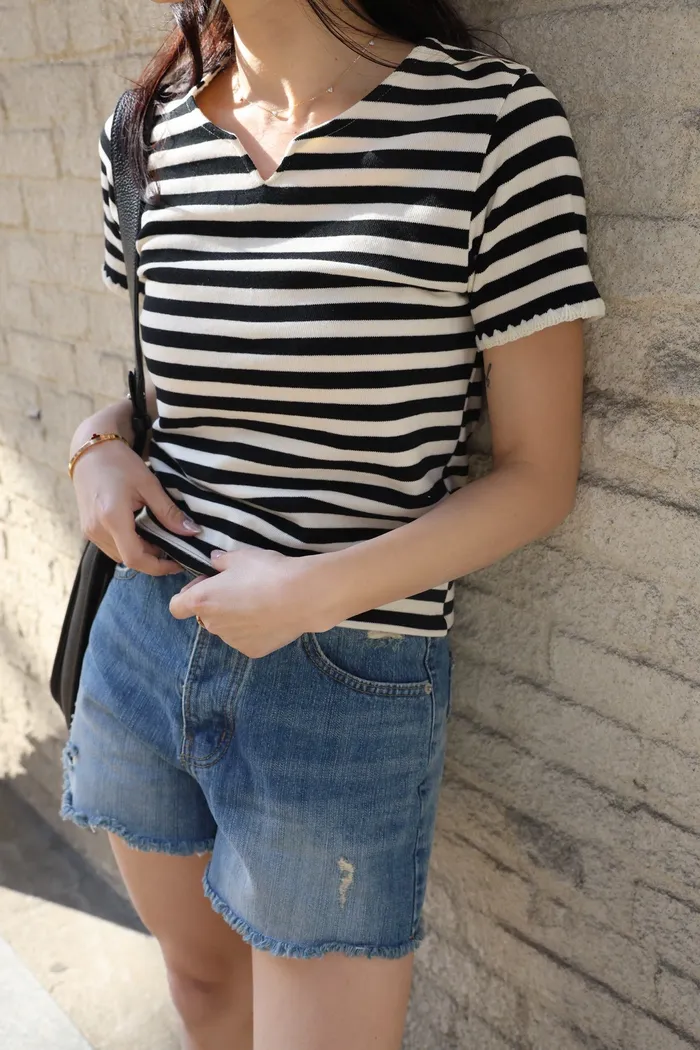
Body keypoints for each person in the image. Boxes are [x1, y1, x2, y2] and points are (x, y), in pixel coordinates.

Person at [60, 0, 606, 1047]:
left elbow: (538, 477)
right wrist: (97, 446)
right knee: (201, 993)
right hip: (143, 642)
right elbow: (178, 392)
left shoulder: (493, 125)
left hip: (344, 680)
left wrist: (311, 592)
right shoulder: (144, 129)